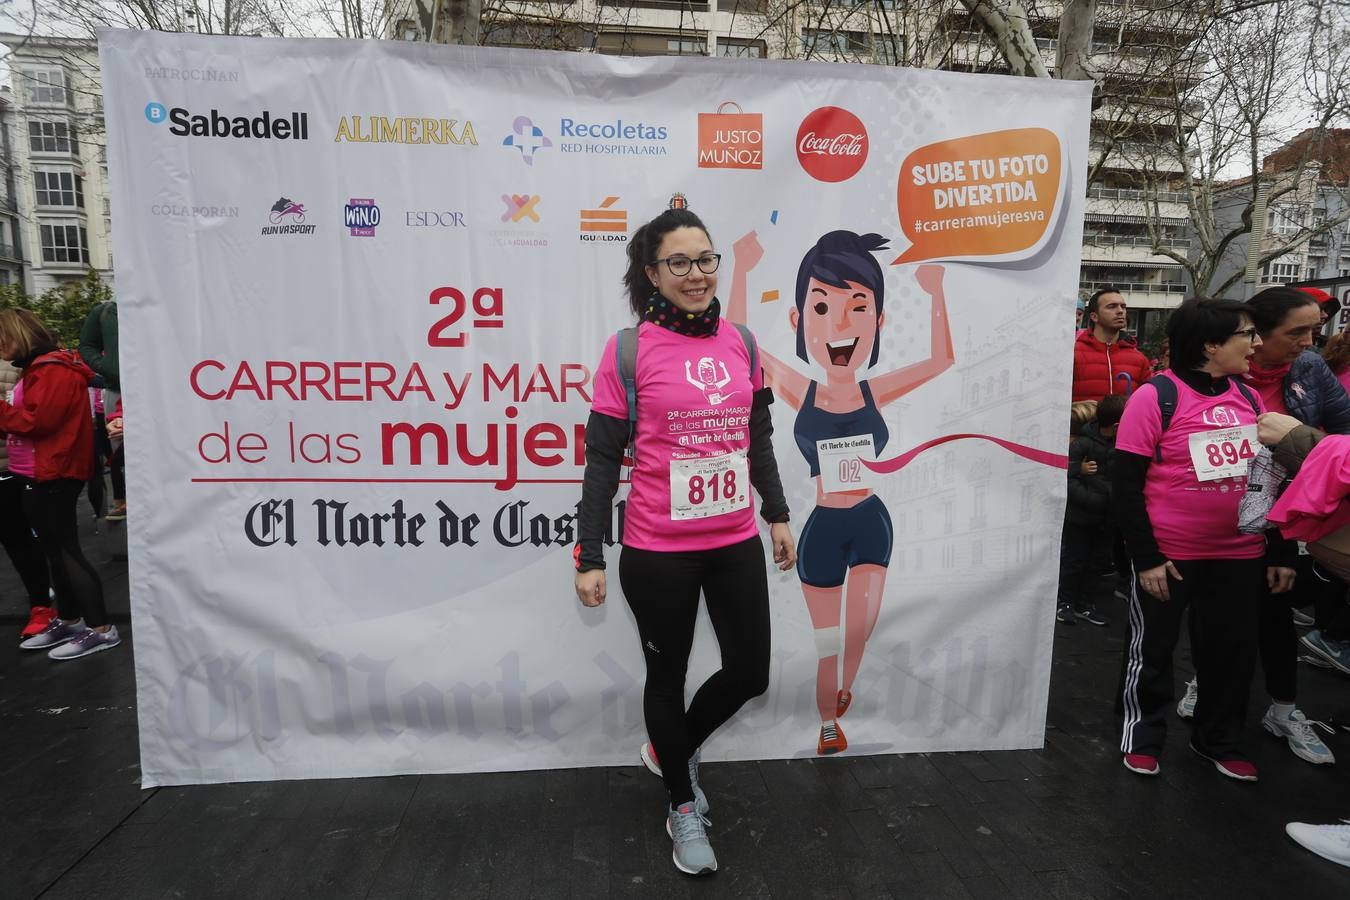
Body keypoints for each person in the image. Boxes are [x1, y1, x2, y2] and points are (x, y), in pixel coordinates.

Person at [573, 205, 796, 877]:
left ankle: (672, 748)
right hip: (657, 550)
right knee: (666, 678)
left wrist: (778, 513)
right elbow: (602, 461)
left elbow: (756, 438)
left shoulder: (743, 344)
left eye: (705, 260)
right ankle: (680, 803)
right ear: (651, 273)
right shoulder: (628, 350)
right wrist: (589, 553)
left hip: (732, 541)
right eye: (679, 262)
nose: (696, 274)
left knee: (750, 672)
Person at [725, 229, 952, 757]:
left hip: (870, 522)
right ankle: (830, 720)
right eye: (823, 306)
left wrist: (936, 290)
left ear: (879, 321)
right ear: (798, 320)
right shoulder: (802, 391)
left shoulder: (875, 390)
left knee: (861, 630)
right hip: (824, 530)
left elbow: (940, 361)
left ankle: (845, 687)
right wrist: (742, 267)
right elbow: (741, 346)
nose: (842, 324)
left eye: (859, 307)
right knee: (829, 644)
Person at [1112, 296, 1296, 782]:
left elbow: (1267, 478)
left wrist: (1279, 549)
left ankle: (1218, 739)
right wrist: (1146, 557)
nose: (1256, 344)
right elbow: (1126, 484)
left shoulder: (1250, 397)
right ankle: (1143, 735)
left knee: (1231, 654)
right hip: (1170, 554)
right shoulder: (1155, 396)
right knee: (1152, 649)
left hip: (1240, 552)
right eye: (1247, 334)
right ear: (1212, 344)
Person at [1221, 286, 1343, 765]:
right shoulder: (1213, 371)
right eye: (1297, 332)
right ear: (1255, 332)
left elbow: (1343, 432)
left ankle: (1284, 708)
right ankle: (1203, 683)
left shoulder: (1309, 369)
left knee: (1274, 608)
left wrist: (1301, 446)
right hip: (1217, 515)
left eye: (1314, 330)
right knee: (1220, 611)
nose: (1310, 341)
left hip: (1286, 512)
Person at [0, 309, 116, 660]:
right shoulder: (41, 368)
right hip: (39, 469)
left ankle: (100, 629)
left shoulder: (52, 369)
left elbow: (40, 421)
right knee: (54, 551)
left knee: (66, 551)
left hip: (55, 470)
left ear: (19, 336)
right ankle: (71, 621)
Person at [0, 356, 55, 641]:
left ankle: (41, 606)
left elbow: (28, 416)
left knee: (18, 540)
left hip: (8, 470)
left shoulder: (16, 366)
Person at [1058, 394, 1126, 626]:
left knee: (1097, 561)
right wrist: (1091, 499)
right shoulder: (1083, 444)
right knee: (1075, 561)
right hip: (1081, 516)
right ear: (1117, 424)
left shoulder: (1123, 444)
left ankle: (1085, 603)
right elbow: (1065, 475)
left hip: (1108, 518)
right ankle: (1065, 602)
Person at [78, 300, 124, 520]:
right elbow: (87, 344)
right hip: (118, 390)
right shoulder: (106, 311)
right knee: (119, 453)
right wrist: (106, 367)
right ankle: (123, 501)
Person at [1071, 288, 1153, 402]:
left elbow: (1148, 402)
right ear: (1094, 316)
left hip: (1127, 420)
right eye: (1112, 306)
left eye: (1123, 307)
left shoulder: (1139, 359)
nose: (1120, 311)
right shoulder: (1073, 353)